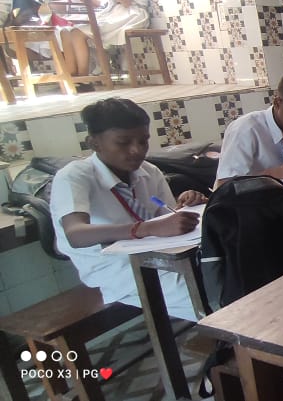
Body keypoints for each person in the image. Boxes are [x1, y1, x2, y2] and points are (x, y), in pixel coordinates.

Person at [50, 98, 208, 322]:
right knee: (207, 292)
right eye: (123, 143)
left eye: (143, 141)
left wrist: (183, 207)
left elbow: (165, 218)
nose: (137, 150)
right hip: (116, 269)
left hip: (161, 257)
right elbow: (75, 234)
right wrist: (145, 228)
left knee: (226, 272)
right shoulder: (74, 176)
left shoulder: (149, 172)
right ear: (94, 143)